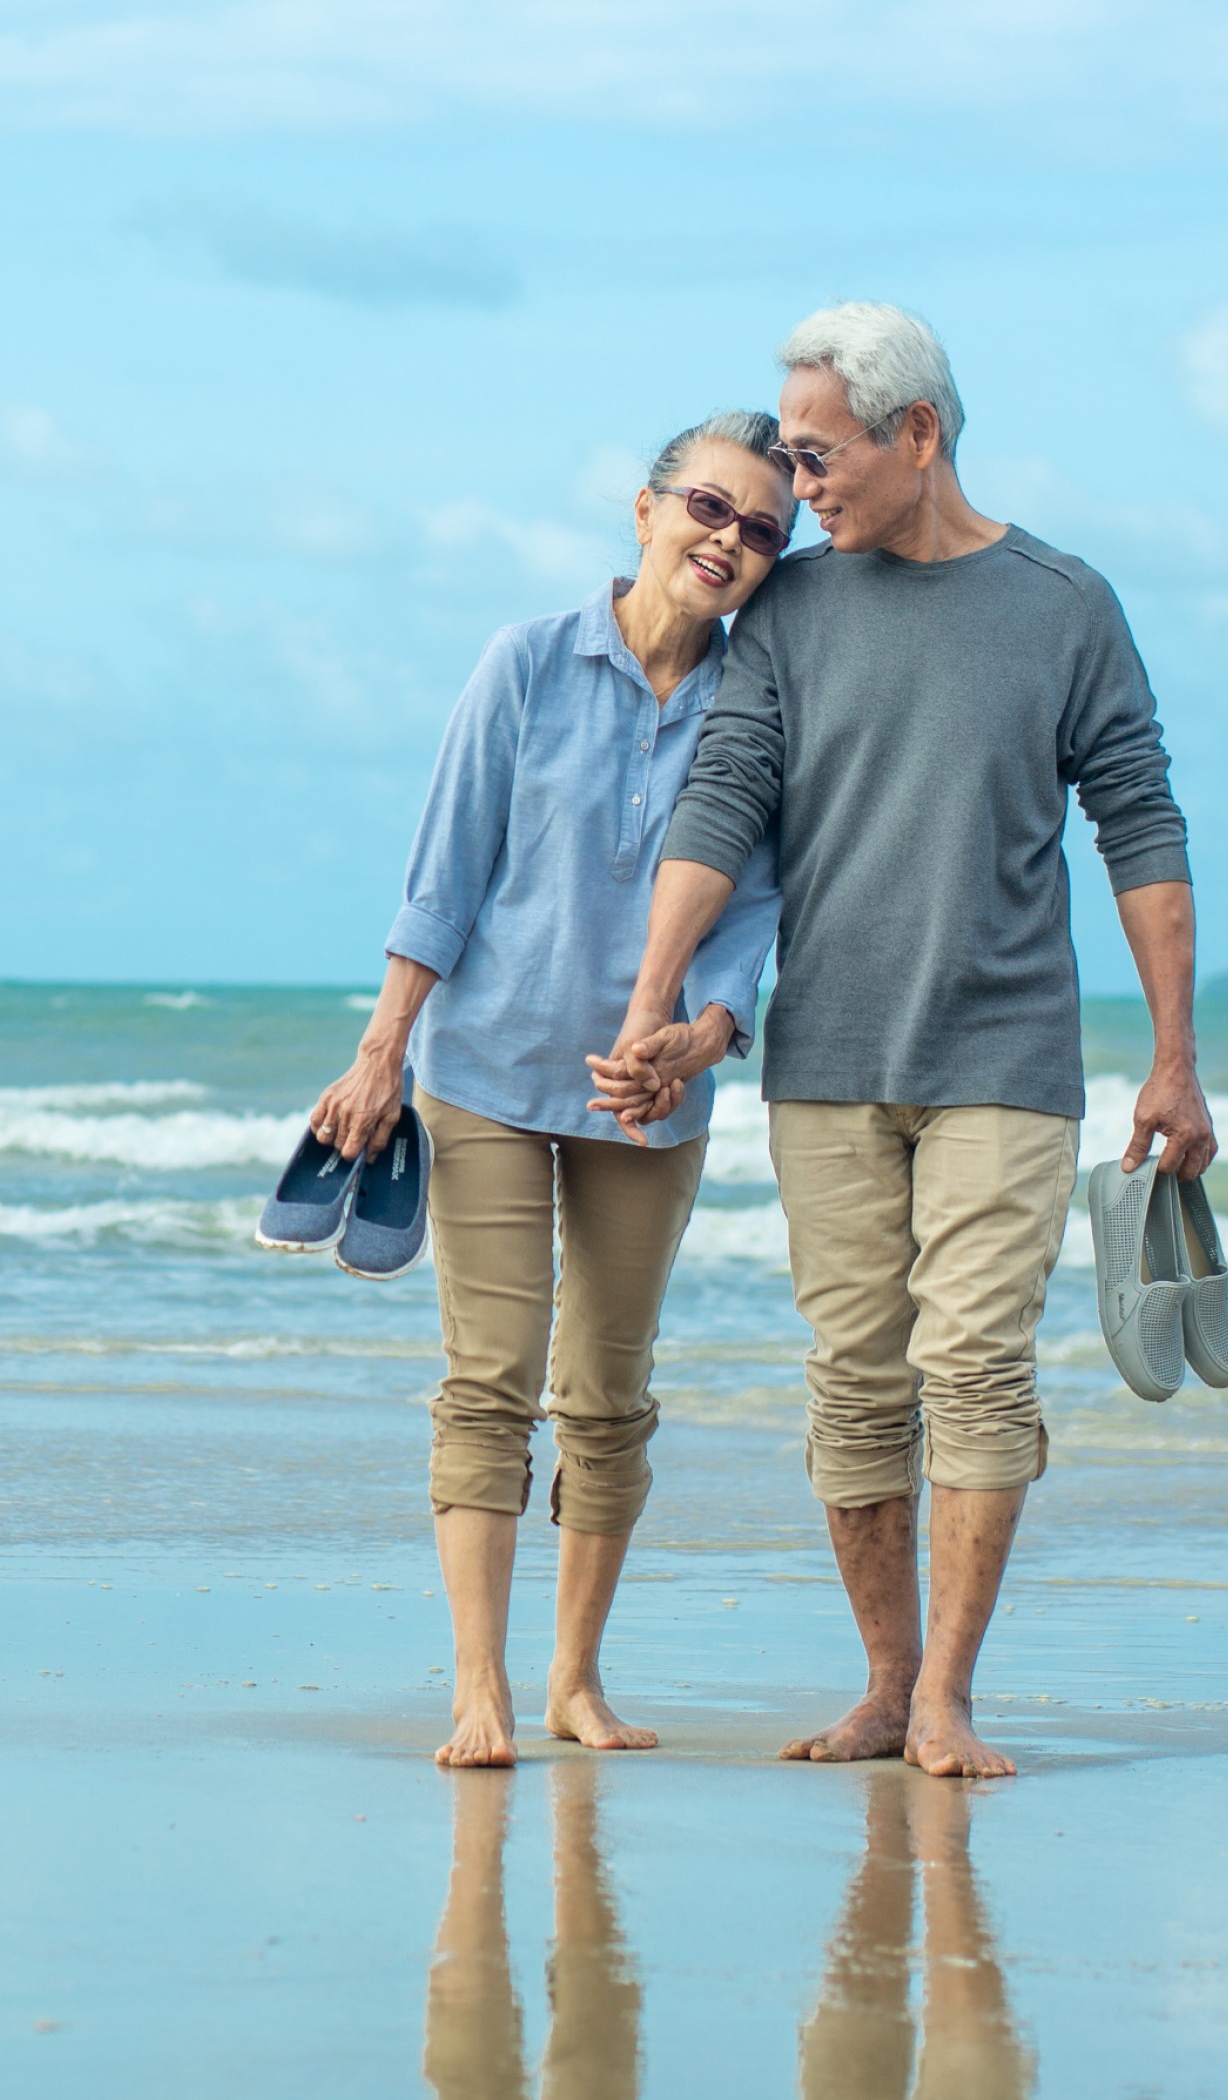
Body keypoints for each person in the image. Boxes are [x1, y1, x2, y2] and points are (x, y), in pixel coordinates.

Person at [593, 303, 1215, 1780]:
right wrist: (656, 1002)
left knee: (980, 1368)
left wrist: (1176, 1058)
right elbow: (726, 798)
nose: (795, 491)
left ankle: (946, 1695)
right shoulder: (793, 613)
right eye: (788, 461)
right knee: (856, 1378)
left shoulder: (1064, 605)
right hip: (825, 1063)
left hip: (1006, 1056)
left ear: (917, 435)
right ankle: (884, 1686)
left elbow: (1141, 822)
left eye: (818, 459)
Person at [306, 410, 788, 1768]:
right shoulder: (522, 665)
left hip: (652, 1095)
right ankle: (482, 1687)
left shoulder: (760, 705)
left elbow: (755, 909)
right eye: (709, 506)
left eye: (762, 529)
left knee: (610, 1390)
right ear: (644, 510)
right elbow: (445, 874)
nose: (729, 540)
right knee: (490, 1379)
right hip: (489, 1073)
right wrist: (380, 1048)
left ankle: (577, 1678)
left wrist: (702, 1037)